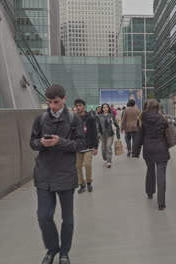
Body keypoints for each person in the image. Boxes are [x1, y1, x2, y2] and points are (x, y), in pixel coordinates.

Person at [30, 85, 86, 264]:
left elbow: (80, 144)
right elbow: (32, 142)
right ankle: (52, 249)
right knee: (43, 216)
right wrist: (41, 143)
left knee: (67, 218)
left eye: (56, 102)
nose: (52, 106)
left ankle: (64, 253)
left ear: (64, 99)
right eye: (49, 102)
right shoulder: (40, 119)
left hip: (66, 173)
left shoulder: (74, 119)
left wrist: (60, 142)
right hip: (44, 173)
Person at [133, 99, 170, 210]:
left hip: (148, 149)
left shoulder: (142, 118)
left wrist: (136, 151)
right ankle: (161, 203)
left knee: (150, 170)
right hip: (161, 148)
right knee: (161, 175)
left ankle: (149, 192)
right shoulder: (162, 118)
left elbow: (139, 136)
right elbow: (167, 131)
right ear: (158, 107)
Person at [74, 99, 99, 194]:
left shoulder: (90, 118)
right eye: (77, 106)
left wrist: (95, 147)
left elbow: (94, 133)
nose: (78, 107)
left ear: (84, 106)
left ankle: (89, 182)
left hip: (89, 146)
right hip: (78, 146)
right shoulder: (74, 119)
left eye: (80, 105)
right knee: (78, 166)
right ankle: (82, 184)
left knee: (87, 165)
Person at [96, 103, 120, 168]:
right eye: (104, 107)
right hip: (102, 134)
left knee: (108, 146)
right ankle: (105, 157)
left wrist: (118, 136)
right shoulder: (99, 116)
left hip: (110, 134)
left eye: (106, 107)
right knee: (103, 148)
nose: (105, 108)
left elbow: (116, 125)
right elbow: (97, 126)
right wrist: (97, 135)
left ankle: (109, 161)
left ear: (108, 108)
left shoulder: (111, 116)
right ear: (102, 109)